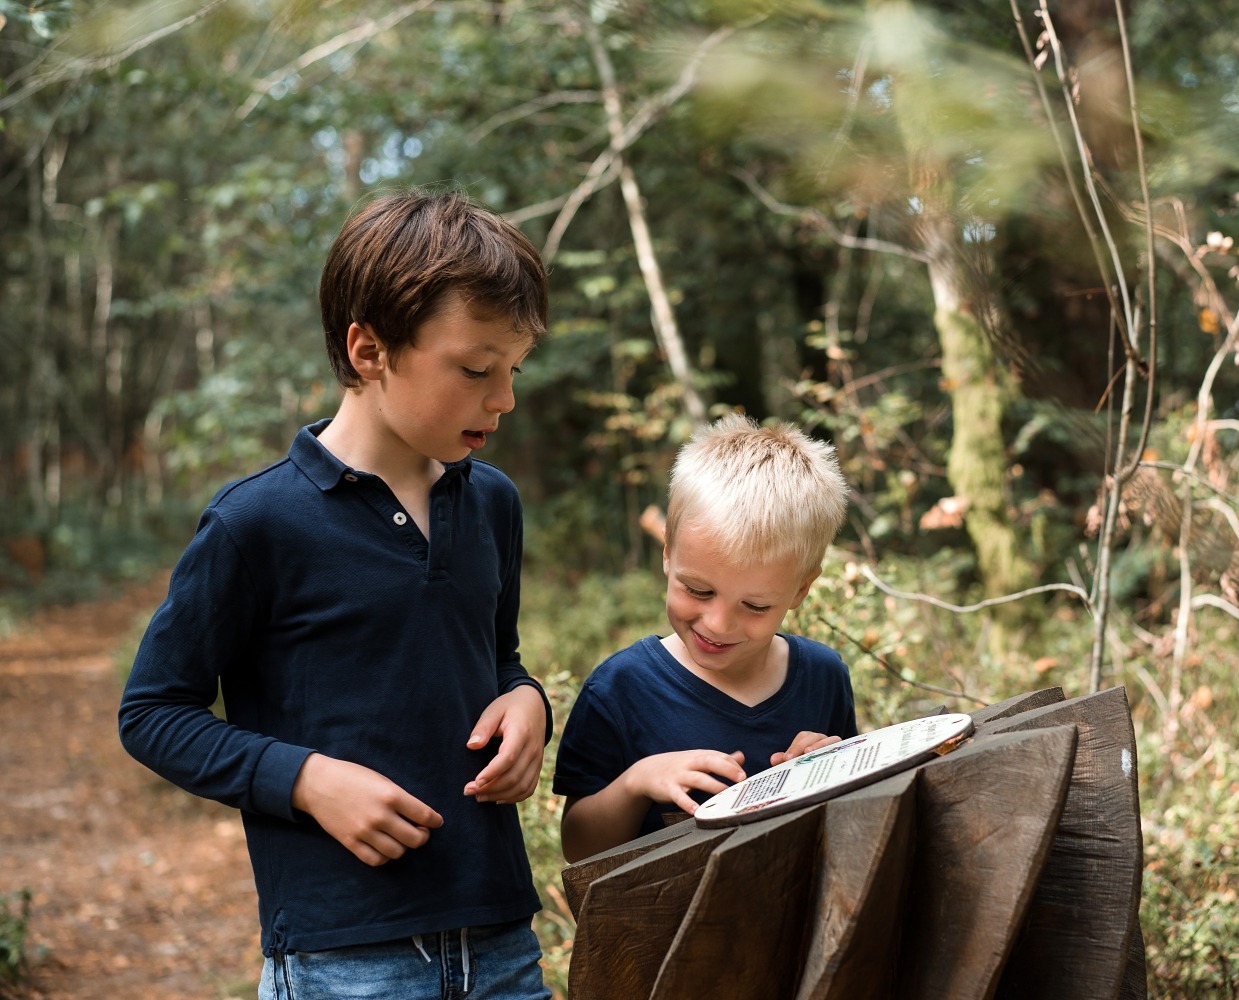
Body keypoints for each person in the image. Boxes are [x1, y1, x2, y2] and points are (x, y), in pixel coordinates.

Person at [119, 189, 554, 1000]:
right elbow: (152, 713)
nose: (505, 399)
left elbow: (498, 658)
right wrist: (307, 779)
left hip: (502, 942)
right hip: (342, 960)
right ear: (369, 350)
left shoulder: (492, 502)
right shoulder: (258, 521)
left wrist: (527, 703)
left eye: (513, 370)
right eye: (474, 369)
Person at [553, 413, 858, 863]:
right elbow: (579, 851)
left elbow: (848, 828)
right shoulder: (620, 688)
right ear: (667, 556)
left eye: (754, 606)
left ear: (799, 590)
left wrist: (838, 768)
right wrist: (638, 782)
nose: (718, 623)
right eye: (698, 590)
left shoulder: (822, 676)